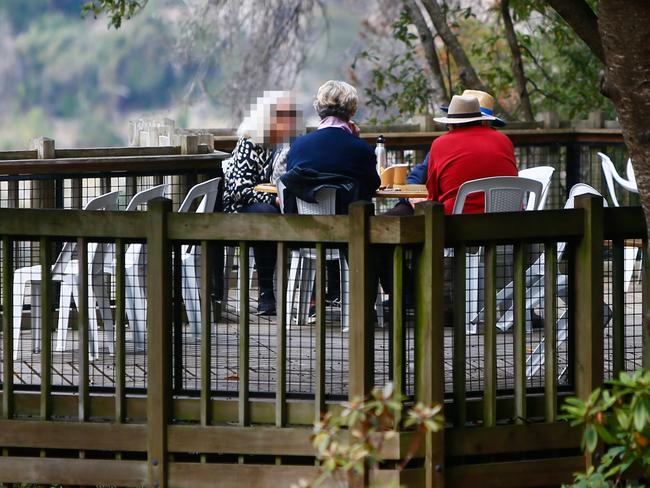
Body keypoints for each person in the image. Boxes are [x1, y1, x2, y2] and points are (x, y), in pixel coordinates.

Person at [222, 91, 302, 315]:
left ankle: (316, 295)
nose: (291, 121)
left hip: (278, 204)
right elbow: (239, 190)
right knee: (267, 214)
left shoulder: (288, 145)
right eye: (284, 115)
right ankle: (266, 292)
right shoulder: (251, 142)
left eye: (292, 115)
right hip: (243, 208)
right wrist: (273, 198)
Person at [284, 80, 380, 201]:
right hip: (350, 219)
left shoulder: (298, 145)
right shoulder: (361, 148)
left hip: (304, 218)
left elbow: (291, 182)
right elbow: (373, 185)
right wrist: (355, 139)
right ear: (353, 109)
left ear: (318, 107)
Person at [426, 94, 518, 213]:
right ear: (480, 121)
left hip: (458, 224)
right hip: (508, 221)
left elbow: (433, 196)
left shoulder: (440, 144)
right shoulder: (504, 140)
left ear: (452, 124)